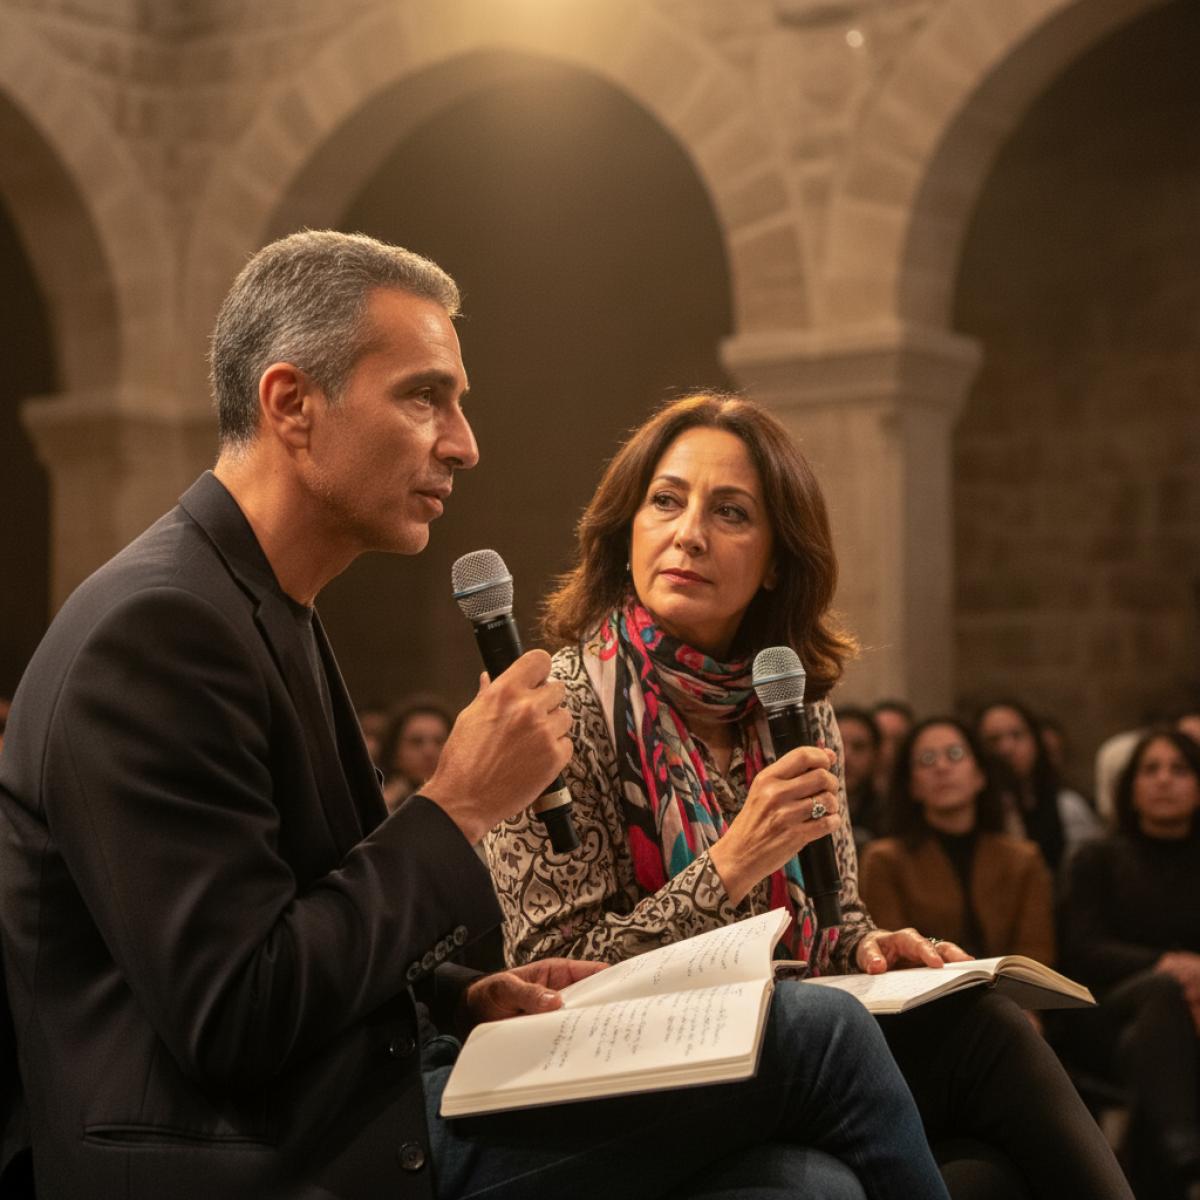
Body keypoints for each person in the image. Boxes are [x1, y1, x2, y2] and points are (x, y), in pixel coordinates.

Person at [0, 232, 950, 1200]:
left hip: (347, 1107)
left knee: (800, 1188)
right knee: (822, 1035)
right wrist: (453, 807)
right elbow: (237, 1015)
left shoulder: (268, 610)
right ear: (291, 404)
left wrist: (462, 993)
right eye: (424, 396)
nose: (464, 442)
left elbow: (304, 921)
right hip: (260, 1161)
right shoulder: (158, 630)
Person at [485, 392, 1133, 1200]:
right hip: (649, 1081)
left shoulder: (793, 706)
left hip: (797, 1036)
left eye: (730, 512)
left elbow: (833, 913)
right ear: (627, 529)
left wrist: (868, 946)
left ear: (777, 561)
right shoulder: (559, 708)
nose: (689, 533)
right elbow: (551, 985)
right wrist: (729, 864)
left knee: (987, 1039)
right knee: (822, 1185)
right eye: (666, 500)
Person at [1059, 728, 1200, 1200]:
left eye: (1179, 770)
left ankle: (1169, 1166)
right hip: (1109, 1010)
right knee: (1161, 996)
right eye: (1150, 769)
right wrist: (1167, 965)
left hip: (1169, 1024)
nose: (1164, 781)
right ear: (1131, 787)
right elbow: (1083, 949)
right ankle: (1184, 1147)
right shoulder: (1097, 857)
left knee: (1152, 1044)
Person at [860, 718, 1053, 965]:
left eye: (955, 754)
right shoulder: (884, 859)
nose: (941, 767)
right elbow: (893, 952)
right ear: (912, 786)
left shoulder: (1023, 858)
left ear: (980, 775)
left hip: (1012, 993)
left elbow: (1037, 951)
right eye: (926, 759)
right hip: (926, 994)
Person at [976, 700, 1102, 872]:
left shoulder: (1066, 807)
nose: (1006, 748)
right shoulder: (969, 811)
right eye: (993, 740)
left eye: (1017, 735)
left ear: (1036, 742)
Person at [380, 699, 453, 812]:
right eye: (416, 742)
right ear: (394, 752)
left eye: (439, 741)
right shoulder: (381, 805)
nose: (429, 752)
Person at [836, 707, 883, 851]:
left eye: (859, 747)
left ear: (876, 755)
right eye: (837, 745)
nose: (846, 756)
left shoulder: (892, 817)